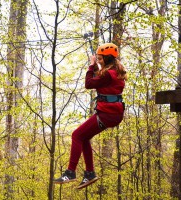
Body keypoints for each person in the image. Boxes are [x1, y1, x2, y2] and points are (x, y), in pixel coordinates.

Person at [53, 43, 127, 189]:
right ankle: (89, 173)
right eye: (97, 59)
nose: (98, 60)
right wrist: (96, 67)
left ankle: (71, 172)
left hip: (107, 114)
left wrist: (91, 66)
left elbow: (88, 84)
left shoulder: (108, 74)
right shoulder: (116, 72)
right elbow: (102, 83)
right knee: (84, 137)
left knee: (76, 135)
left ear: (107, 58)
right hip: (113, 114)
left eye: (100, 58)